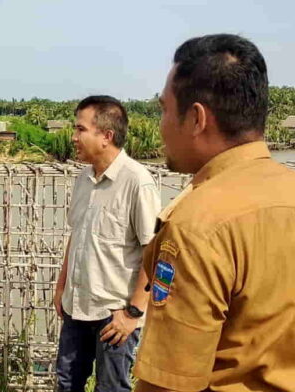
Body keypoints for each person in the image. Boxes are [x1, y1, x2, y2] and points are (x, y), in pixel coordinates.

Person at [134, 34, 295, 392]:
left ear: (195, 118)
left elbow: (171, 382)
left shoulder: (196, 225)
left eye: (163, 109)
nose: (161, 125)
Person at [53, 95, 161, 392]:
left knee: (111, 388)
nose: (73, 137)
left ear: (106, 136)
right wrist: (62, 286)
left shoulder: (137, 181)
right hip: (77, 306)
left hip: (114, 316)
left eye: (80, 129)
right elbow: (77, 235)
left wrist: (133, 314)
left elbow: (153, 251)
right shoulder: (83, 179)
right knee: (66, 383)